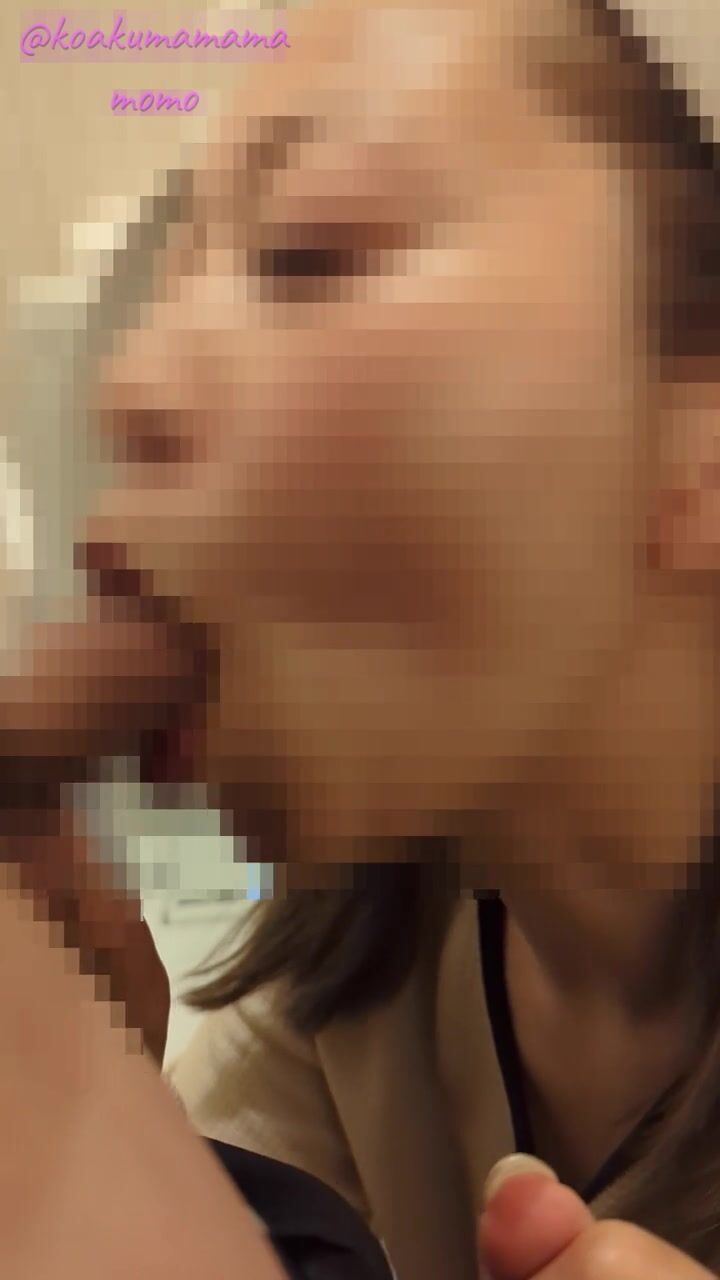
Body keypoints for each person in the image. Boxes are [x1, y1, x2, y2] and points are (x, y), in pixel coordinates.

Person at [3, 0, 720, 1276]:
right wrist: (86, 1112)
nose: (129, 388)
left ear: (701, 449)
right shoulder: (351, 972)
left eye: (308, 248)